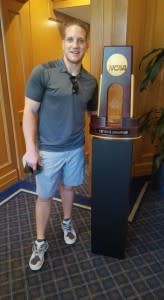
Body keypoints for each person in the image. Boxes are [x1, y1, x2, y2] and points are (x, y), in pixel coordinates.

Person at [22, 19, 98, 271]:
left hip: (76, 148)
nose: (75, 45)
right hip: (48, 150)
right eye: (70, 39)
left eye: (80, 40)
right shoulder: (43, 72)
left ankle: (67, 222)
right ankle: (40, 241)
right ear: (63, 42)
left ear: (86, 44)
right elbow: (30, 112)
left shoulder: (90, 81)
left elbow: (90, 115)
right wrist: (31, 149)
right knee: (44, 196)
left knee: (68, 189)